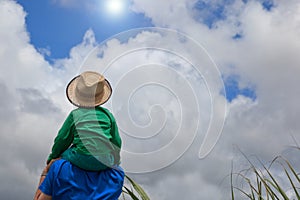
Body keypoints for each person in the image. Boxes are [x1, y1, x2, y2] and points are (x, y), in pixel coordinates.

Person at [34, 71, 124, 199]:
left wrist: (53, 157)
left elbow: (62, 139)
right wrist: (115, 160)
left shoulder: (75, 115)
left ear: (79, 95)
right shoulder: (108, 115)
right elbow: (116, 142)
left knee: (63, 155)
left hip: (82, 156)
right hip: (104, 160)